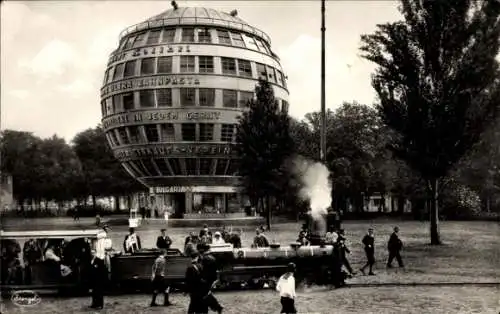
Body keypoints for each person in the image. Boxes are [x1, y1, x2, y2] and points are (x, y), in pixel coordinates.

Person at [198, 243, 223, 314]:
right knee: (206, 294)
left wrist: (202, 278)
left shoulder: (204, 258)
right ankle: (217, 307)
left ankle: (217, 307)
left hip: (205, 279)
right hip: (211, 279)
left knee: (205, 295)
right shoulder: (212, 257)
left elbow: (203, 270)